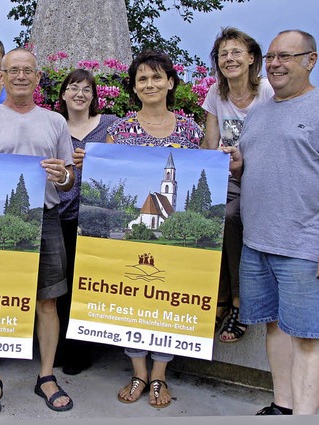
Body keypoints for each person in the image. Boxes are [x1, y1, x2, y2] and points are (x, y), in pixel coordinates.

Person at [225, 30, 319, 415]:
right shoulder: (258, 112)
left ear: (311, 59)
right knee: (273, 327)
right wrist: (237, 167)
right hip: (257, 245)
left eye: (286, 56)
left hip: (306, 249)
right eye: (271, 56)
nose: (275, 64)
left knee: (307, 339)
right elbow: (252, 173)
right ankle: (282, 405)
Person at [0, 47, 75, 416]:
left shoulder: (55, 122)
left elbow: (68, 179)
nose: (20, 76)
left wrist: (64, 176)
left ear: (38, 77)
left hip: (45, 219)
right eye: (13, 70)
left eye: (28, 70)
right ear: (2, 75)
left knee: (48, 301)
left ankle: (46, 375)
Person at [107, 50, 203, 408]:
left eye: (157, 77)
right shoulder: (119, 131)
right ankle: (138, 372)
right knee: (132, 302)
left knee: (168, 303)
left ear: (170, 83)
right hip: (136, 236)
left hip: (176, 235)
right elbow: (111, 180)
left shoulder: (191, 131)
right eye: (142, 79)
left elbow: (204, 173)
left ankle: (160, 375)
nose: (150, 84)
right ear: (134, 87)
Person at [202, 27, 274, 343]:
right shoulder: (215, 95)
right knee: (204, 215)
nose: (229, 59)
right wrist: (214, 155)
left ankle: (237, 300)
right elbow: (209, 142)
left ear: (251, 58)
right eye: (223, 54)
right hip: (228, 177)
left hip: (262, 179)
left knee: (231, 216)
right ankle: (214, 297)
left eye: (236, 53)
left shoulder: (267, 93)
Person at [54, 69, 118, 375]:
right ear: (63, 93)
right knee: (61, 287)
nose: (80, 94)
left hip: (96, 218)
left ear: (94, 97)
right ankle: (59, 346)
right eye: (73, 87)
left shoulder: (109, 125)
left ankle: (80, 350)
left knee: (88, 286)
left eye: (87, 89)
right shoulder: (53, 126)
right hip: (61, 215)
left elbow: (120, 165)